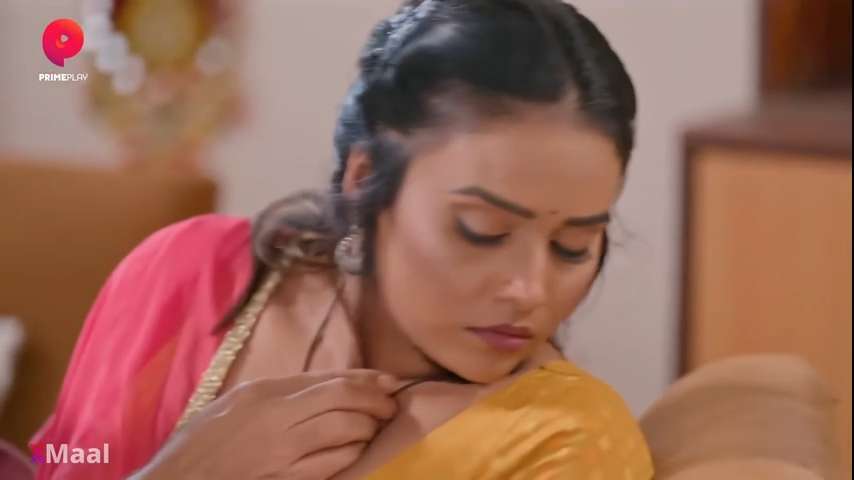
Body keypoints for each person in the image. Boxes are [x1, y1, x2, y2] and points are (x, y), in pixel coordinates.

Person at [31, 0, 654, 478]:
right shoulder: (181, 274)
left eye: (574, 246)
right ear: (364, 180)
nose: (531, 290)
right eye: (482, 230)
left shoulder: (567, 441)